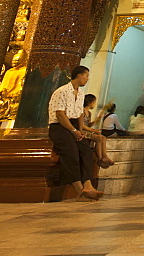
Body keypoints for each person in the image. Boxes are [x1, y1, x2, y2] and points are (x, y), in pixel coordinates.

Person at [47, 65, 102, 201]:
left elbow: (79, 114)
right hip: (60, 127)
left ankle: (88, 185)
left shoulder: (81, 93)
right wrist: (73, 130)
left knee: (86, 151)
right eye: (86, 75)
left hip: (75, 127)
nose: (87, 79)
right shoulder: (62, 91)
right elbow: (60, 114)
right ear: (79, 75)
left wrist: (80, 131)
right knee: (71, 152)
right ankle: (78, 189)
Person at [79, 94, 113, 168]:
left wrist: (97, 119)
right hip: (82, 132)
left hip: (87, 131)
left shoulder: (89, 113)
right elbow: (82, 125)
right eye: (94, 102)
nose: (95, 104)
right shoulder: (82, 111)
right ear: (89, 103)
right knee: (98, 138)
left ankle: (104, 156)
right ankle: (100, 159)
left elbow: (88, 124)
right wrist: (93, 130)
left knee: (103, 137)